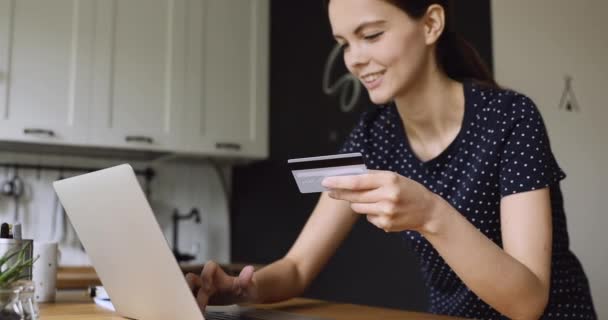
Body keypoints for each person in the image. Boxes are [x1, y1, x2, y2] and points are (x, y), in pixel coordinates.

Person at [186, 0, 597, 318]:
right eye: (344, 43)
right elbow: (296, 267)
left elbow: (528, 303)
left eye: (371, 35)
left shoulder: (509, 118)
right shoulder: (373, 135)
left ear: (431, 23)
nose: (354, 59)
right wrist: (243, 288)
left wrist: (430, 214)